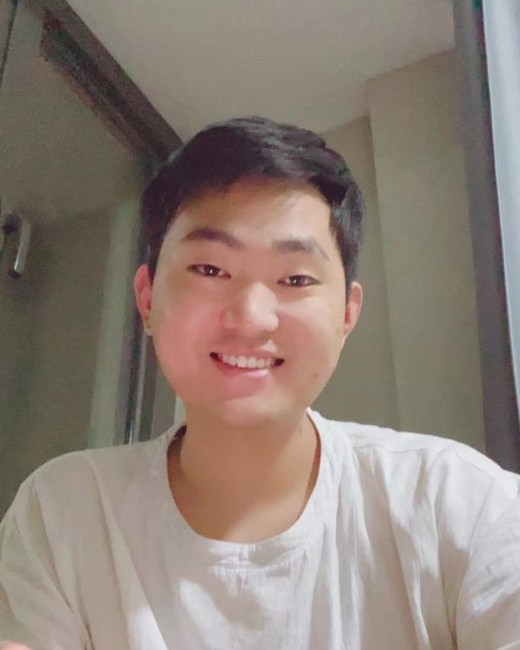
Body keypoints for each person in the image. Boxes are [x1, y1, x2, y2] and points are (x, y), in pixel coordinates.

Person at [0, 116, 519, 650]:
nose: (251, 317)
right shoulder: (65, 513)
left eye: (295, 278)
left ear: (347, 314)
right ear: (147, 298)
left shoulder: (460, 504)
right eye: (209, 270)